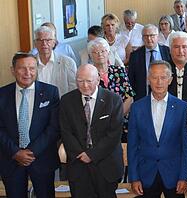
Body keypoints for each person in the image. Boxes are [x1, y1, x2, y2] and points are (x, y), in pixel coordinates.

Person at [0, 53, 60, 198]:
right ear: (13, 70)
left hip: (42, 159)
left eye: (32, 68)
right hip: (11, 159)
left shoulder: (50, 92)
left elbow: (53, 128)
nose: (28, 73)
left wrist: (31, 152)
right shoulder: (2, 94)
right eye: (22, 68)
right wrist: (16, 152)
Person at [127, 61, 187, 198]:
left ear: (170, 80)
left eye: (163, 77)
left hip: (174, 175)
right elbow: (132, 146)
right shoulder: (137, 108)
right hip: (146, 174)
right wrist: (134, 177)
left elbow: (186, 146)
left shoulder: (182, 108)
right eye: (154, 77)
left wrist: (184, 176)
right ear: (148, 79)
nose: (159, 82)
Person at [59, 64, 125, 197]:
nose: (84, 85)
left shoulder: (113, 100)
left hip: (106, 165)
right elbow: (65, 131)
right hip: (78, 164)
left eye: (89, 81)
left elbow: (114, 134)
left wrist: (92, 155)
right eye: (80, 81)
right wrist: (81, 153)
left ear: (98, 79)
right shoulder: (67, 100)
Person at [88, 38, 136, 116]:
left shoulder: (119, 71)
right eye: (95, 52)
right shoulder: (89, 75)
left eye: (103, 51)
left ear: (108, 52)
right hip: (100, 121)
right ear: (90, 55)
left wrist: (118, 116)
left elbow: (129, 96)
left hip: (122, 118)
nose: (100, 54)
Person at [128, 25, 173, 100]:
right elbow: (131, 80)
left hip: (165, 96)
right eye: (145, 36)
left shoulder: (168, 52)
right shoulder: (135, 55)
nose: (149, 39)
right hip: (142, 97)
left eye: (152, 35)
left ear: (157, 36)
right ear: (142, 38)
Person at [33, 26, 77, 97]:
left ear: (54, 43)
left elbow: (74, 89)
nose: (44, 43)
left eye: (48, 40)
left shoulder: (68, 63)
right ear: (35, 43)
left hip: (61, 105)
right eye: (40, 40)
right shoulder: (30, 63)